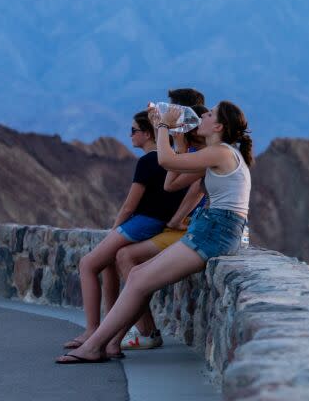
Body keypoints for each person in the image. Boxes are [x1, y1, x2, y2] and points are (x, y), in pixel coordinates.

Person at [57, 101, 253, 364]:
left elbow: (164, 159)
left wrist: (162, 125)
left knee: (138, 279)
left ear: (218, 126)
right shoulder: (215, 154)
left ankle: (95, 345)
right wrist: (178, 139)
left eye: (208, 114)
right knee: (137, 275)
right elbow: (171, 182)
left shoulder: (221, 153)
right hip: (210, 227)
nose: (202, 115)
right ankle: (103, 343)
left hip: (216, 230)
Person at [62, 111, 188, 356]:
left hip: (142, 222)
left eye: (134, 130)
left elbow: (130, 206)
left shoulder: (148, 161)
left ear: (148, 133)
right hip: (158, 225)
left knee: (88, 264)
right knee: (108, 264)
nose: (130, 135)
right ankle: (110, 335)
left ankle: (92, 330)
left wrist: (114, 231)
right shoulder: (173, 159)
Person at [113, 104, 209, 352]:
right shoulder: (192, 151)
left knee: (127, 258)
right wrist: (178, 142)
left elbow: (196, 189)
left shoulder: (206, 154)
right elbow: (170, 182)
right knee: (127, 259)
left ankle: (139, 333)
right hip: (186, 228)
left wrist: (165, 129)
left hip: (194, 231)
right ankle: (135, 331)